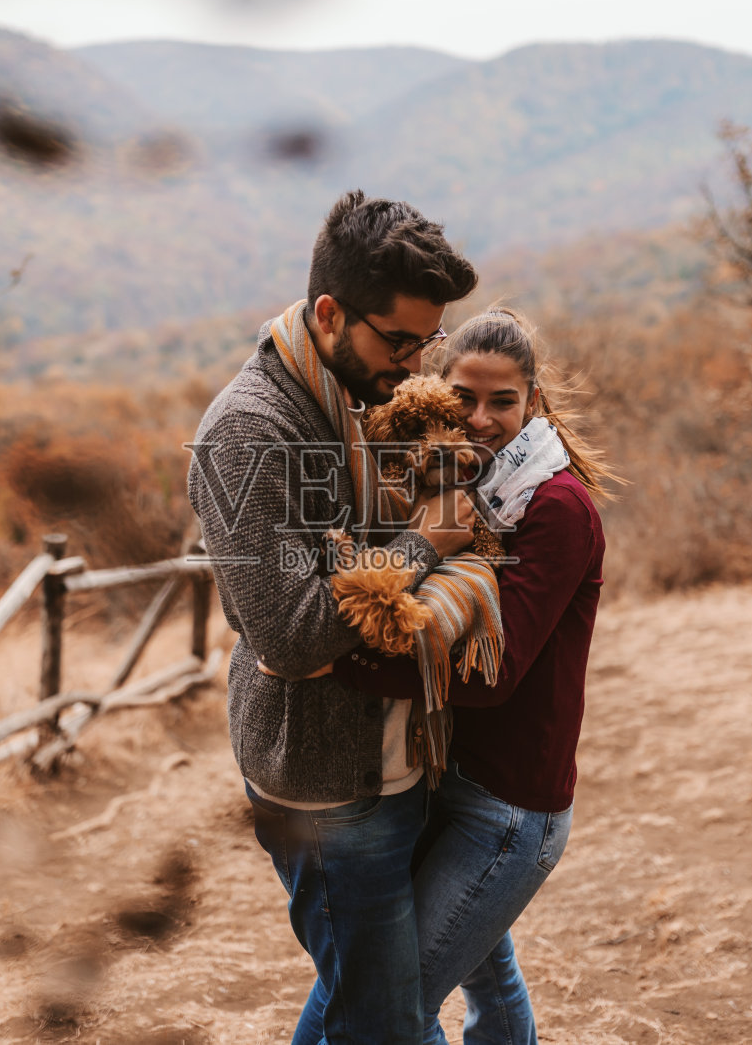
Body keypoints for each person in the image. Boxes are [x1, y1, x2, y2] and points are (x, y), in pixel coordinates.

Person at [186, 189, 479, 1045]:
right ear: (326, 312)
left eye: (427, 341)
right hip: (325, 789)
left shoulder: (350, 397)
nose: (416, 363)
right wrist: (426, 543)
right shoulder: (249, 433)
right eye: (400, 341)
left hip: (395, 759)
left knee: (368, 1009)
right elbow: (292, 632)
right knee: (386, 1023)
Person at [337, 306, 615, 1045]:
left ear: (534, 402)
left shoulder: (555, 508)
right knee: (490, 980)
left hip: (508, 809)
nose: (483, 420)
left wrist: (346, 665)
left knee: (387, 1016)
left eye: (504, 401)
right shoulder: (457, 490)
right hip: (449, 781)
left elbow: (492, 675)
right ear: (437, 392)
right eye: (465, 398)